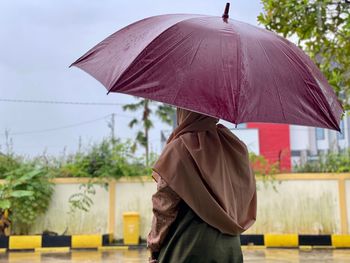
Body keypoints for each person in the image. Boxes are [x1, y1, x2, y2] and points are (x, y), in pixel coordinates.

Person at [147, 108, 257, 263]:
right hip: (230, 250)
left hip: (189, 248)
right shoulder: (235, 147)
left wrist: (154, 247)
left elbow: (164, 208)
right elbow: (244, 195)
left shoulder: (179, 149)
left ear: (184, 112)